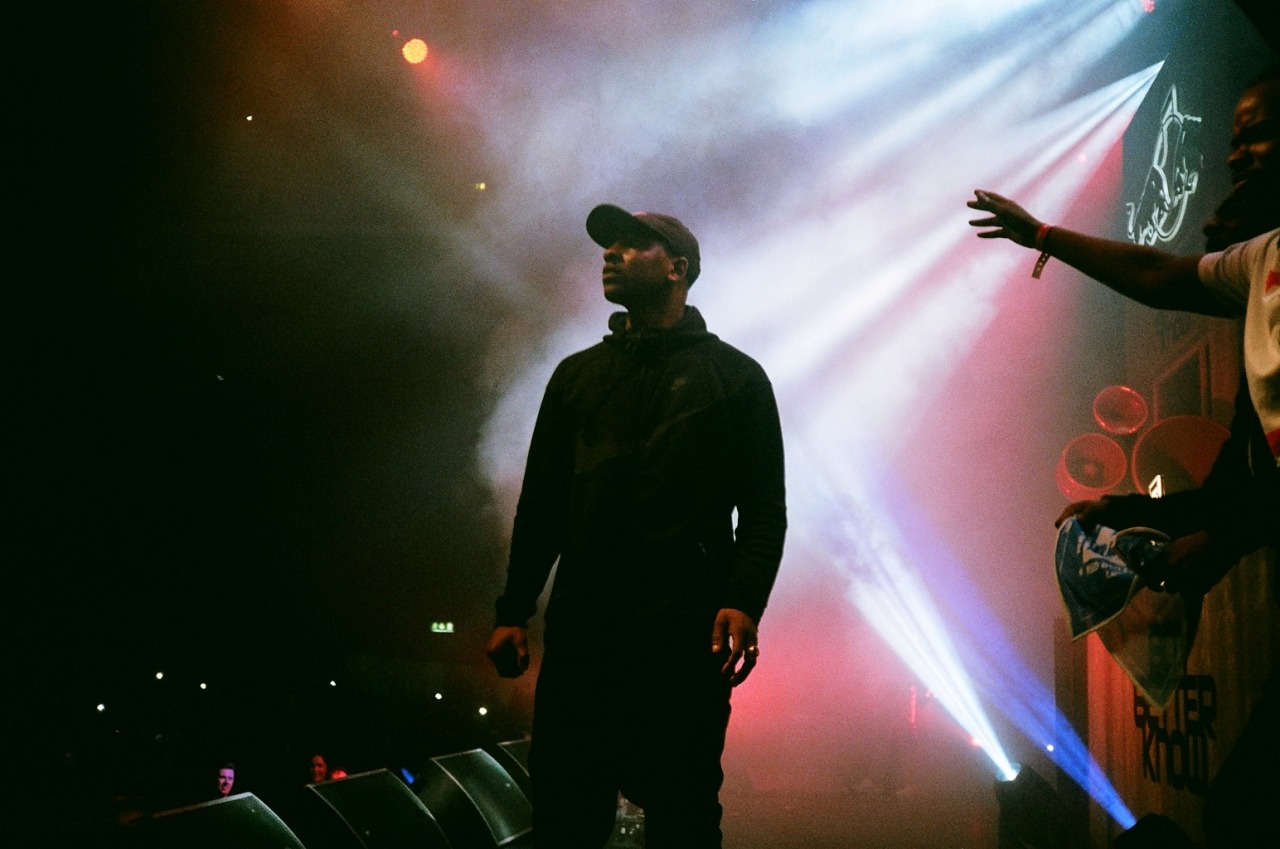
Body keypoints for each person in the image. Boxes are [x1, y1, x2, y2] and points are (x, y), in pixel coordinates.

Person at [970, 67, 1279, 848]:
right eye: (1233, 138)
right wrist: (1133, 510)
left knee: (1244, 809)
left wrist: (1224, 538)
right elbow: (1155, 276)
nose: (1235, 156)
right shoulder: (1262, 265)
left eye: (1257, 135)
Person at [485, 203, 787, 848]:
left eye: (631, 244)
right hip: (584, 632)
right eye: (608, 244)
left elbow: (765, 506)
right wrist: (514, 608)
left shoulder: (737, 378)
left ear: (677, 267)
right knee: (567, 814)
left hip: (683, 636)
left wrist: (743, 599)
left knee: (682, 812)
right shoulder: (576, 377)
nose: (610, 253)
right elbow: (542, 504)